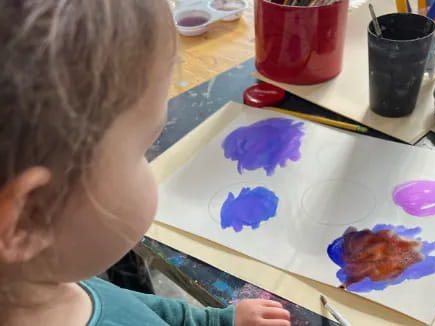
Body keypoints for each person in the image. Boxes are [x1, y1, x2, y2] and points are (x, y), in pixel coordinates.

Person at [0, 1, 291, 325]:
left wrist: (215, 321)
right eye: (145, 149)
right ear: (31, 217)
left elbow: (145, 310)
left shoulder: (48, 280)